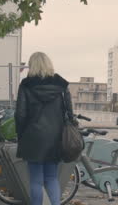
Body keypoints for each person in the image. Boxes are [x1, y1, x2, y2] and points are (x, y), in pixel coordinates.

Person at [14, 52, 74, 205]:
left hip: (32, 137)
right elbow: (70, 112)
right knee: (52, 178)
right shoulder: (61, 85)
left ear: (32, 65)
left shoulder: (26, 85)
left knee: (36, 180)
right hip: (55, 137)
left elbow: (20, 114)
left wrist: (20, 135)